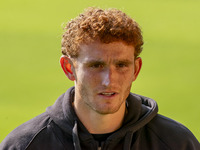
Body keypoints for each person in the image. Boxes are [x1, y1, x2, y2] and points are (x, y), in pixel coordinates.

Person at [0, 7, 199, 150]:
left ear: (136, 70)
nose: (109, 80)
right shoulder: (24, 145)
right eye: (96, 66)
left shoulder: (177, 143)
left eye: (121, 65)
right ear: (69, 68)